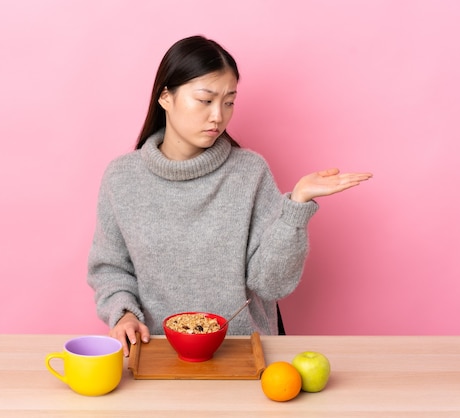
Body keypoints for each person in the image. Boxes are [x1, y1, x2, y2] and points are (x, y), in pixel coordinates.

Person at [88, 35, 372, 356]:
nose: (218, 116)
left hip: (241, 356)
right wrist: (123, 313)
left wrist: (297, 205)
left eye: (229, 101)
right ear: (165, 97)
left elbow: (271, 284)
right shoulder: (123, 178)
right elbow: (110, 269)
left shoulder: (249, 172)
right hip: (156, 354)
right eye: (205, 100)